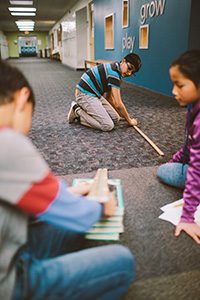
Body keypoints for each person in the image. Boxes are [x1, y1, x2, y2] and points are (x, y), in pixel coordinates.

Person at [0, 59, 135, 300]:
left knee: (65, 227)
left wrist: (66, 195)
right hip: (11, 284)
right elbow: (81, 216)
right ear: (22, 99)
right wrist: (102, 205)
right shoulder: (8, 142)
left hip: (9, 243)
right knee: (123, 262)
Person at [157, 49, 200, 244]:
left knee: (163, 171)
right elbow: (191, 144)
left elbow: (197, 168)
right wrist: (175, 160)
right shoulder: (194, 106)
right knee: (170, 167)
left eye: (179, 85)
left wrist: (188, 217)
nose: (174, 91)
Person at [67, 53, 142, 131]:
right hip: (84, 94)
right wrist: (129, 121)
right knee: (107, 125)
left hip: (95, 95)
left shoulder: (115, 67)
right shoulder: (114, 75)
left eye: (132, 72)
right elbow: (118, 104)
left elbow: (109, 98)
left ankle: (89, 112)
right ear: (123, 61)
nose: (129, 73)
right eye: (129, 68)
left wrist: (124, 116)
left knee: (116, 119)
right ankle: (77, 112)